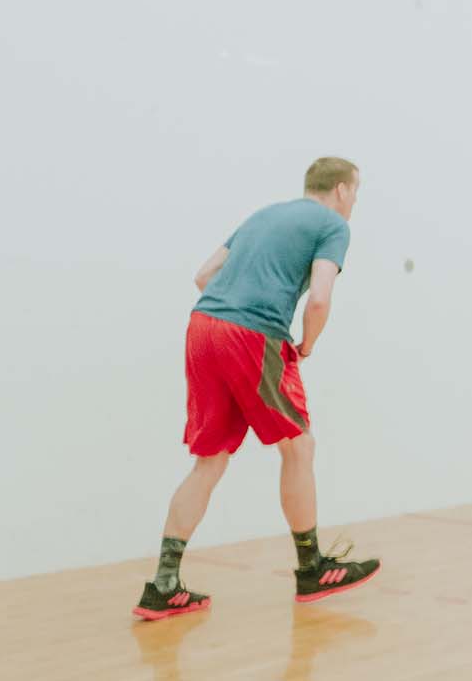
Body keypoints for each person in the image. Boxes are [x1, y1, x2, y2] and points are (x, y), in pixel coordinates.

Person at [133, 157, 381, 620]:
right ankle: (311, 569)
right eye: (356, 195)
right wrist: (306, 344)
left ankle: (163, 585)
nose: (354, 204)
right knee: (298, 447)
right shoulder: (332, 225)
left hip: (203, 326)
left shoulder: (264, 214)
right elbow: (321, 297)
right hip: (251, 336)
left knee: (209, 461)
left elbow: (204, 275)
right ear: (343, 190)